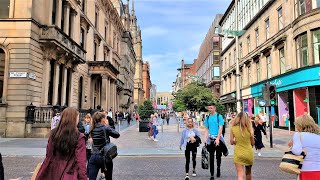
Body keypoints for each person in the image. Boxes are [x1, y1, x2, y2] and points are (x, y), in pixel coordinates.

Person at [36, 107, 88, 180]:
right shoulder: (79, 137)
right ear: (74, 120)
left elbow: (49, 155)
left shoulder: (54, 133)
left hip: (54, 171)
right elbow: (81, 161)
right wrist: (83, 177)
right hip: (70, 172)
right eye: (77, 118)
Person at [88, 112, 120, 180]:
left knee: (92, 178)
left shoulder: (92, 128)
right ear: (102, 119)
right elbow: (117, 135)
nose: (106, 119)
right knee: (108, 178)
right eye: (105, 118)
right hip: (104, 157)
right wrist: (107, 125)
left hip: (93, 156)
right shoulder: (105, 128)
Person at [288, 114, 320, 179]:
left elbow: (297, 151)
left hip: (306, 168)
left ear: (300, 125)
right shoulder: (318, 136)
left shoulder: (298, 135)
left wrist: (292, 145)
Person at [203, 103, 226, 180]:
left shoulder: (219, 116)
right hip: (210, 139)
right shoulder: (208, 117)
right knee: (211, 157)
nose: (210, 109)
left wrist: (218, 138)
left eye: (211, 108)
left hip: (218, 138)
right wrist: (205, 138)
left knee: (218, 156)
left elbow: (221, 128)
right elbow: (206, 129)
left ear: (215, 108)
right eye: (209, 108)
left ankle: (218, 168)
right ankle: (212, 174)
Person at [230, 112, 255, 180]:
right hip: (248, 153)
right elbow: (252, 143)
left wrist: (237, 141)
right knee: (248, 173)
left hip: (238, 153)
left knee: (240, 174)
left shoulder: (233, 128)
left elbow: (231, 142)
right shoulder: (250, 128)